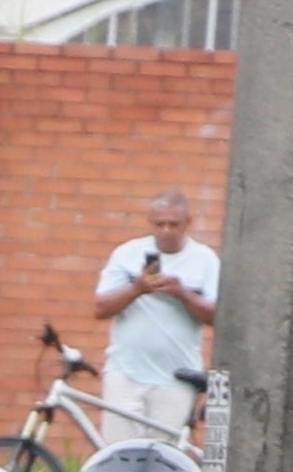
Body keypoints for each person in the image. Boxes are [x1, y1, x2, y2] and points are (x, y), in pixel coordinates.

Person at [91, 183, 218, 455]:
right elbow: (100, 307)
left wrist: (181, 293)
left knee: (163, 458)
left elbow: (216, 316)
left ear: (188, 223)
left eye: (174, 225)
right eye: (160, 224)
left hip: (174, 378)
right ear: (150, 222)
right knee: (118, 456)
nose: (166, 231)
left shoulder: (205, 260)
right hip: (125, 373)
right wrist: (137, 289)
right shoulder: (127, 254)